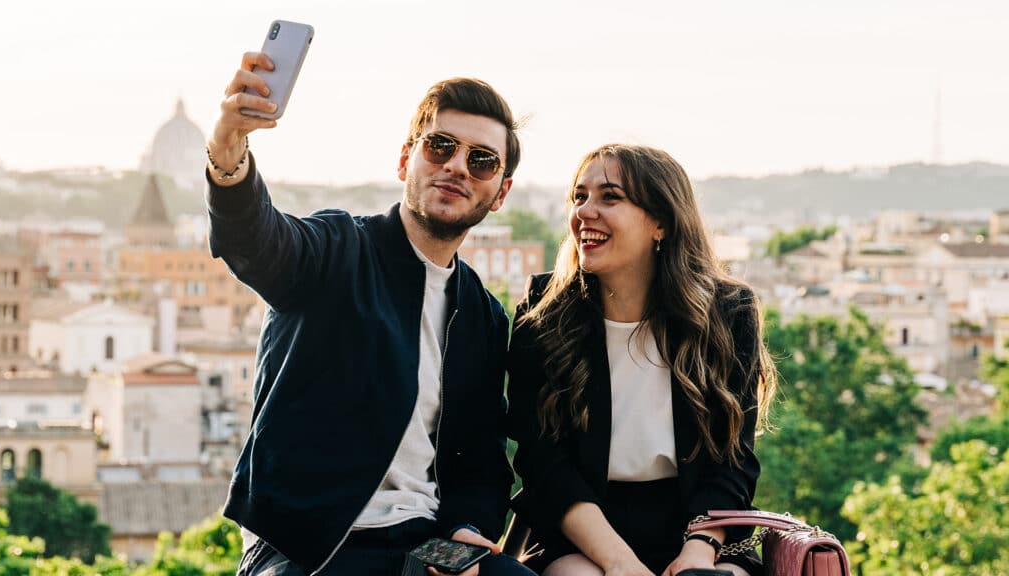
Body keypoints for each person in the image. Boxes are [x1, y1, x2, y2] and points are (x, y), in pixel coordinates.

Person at [205, 51, 536, 576]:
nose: (456, 167)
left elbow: (480, 456)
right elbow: (260, 242)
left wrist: (468, 534)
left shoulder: (482, 315)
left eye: (482, 160)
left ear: (501, 192)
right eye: (441, 146)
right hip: (311, 546)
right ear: (407, 159)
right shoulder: (338, 250)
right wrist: (228, 150)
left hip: (427, 546)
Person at [506, 144, 777, 576]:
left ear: (662, 223)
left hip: (698, 528)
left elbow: (732, 461)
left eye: (609, 197)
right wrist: (619, 562)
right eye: (579, 196)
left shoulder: (727, 312)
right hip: (581, 530)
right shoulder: (543, 311)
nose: (585, 212)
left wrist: (699, 551)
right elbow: (543, 465)